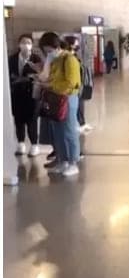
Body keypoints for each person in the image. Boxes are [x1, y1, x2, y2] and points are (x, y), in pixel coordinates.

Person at [38, 32, 81, 177]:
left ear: (56, 46)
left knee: (69, 131)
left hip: (68, 98)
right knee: (57, 132)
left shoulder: (70, 59)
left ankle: (73, 162)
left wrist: (51, 87)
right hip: (56, 98)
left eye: (50, 51)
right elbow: (50, 77)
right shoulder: (54, 60)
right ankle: (62, 160)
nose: (49, 54)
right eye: (46, 52)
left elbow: (72, 82)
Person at [8, 34, 43, 157]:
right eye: (23, 42)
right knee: (18, 119)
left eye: (28, 42)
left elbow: (39, 75)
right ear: (19, 44)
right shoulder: (11, 59)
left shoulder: (36, 59)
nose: (25, 44)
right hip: (16, 94)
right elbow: (8, 75)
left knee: (32, 120)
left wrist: (25, 79)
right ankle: (21, 143)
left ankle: (34, 145)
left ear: (32, 45)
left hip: (32, 94)